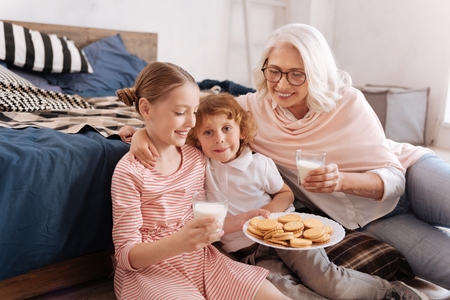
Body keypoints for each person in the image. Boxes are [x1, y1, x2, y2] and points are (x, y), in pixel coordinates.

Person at [119, 23, 450, 292]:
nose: (281, 84)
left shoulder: (348, 102)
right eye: (273, 71)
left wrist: (342, 181)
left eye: (296, 74)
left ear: (317, 72)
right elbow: (190, 110)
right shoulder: (252, 108)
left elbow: (394, 177)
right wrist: (141, 132)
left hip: (409, 173)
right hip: (376, 219)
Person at [184, 92, 429, 300]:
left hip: (285, 231)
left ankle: (389, 291)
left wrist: (266, 216)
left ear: (241, 133)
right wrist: (142, 138)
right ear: (196, 139)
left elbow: (285, 193)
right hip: (247, 250)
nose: (219, 139)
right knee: (283, 288)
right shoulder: (201, 165)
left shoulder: (258, 164)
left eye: (227, 129)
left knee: (325, 279)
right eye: (207, 133)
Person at [111, 61, 292, 300]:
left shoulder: (196, 157)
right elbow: (125, 254)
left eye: (194, 112)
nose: (192, 123)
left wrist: (239, 221)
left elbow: (202, 228)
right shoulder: (129, 173)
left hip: (201, 261)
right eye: (180, 112)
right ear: (146, 109)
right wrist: (180, 242)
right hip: (151, 271)